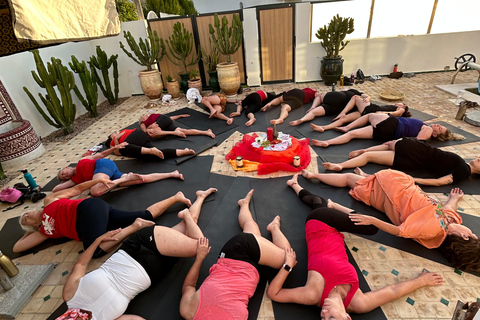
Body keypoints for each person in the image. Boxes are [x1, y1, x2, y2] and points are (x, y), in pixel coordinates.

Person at [265, 173, 445, 319]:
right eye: (332, 318)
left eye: (323, 319)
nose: (324, 313)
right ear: (347, 318)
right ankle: (297, 186)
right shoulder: (359, 303)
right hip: (334, 230)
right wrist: (422, 281)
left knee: (323, 209)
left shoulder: (312, 295)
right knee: (326, 206)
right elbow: (392, 291)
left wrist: (287, 266)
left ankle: (311, 209)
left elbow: (274, 294)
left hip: (319, 224)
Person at [60, 188, 217, 320]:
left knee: (199, 245)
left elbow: (80, 265)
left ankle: (186, 214)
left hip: (137, 248)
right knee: (190, 225)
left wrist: (97, 241)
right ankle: (199, 199)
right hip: (156, 269)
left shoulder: (70, 296)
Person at [300, 168, 480, 273]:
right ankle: (365, 175)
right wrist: (453, 199)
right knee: (361, 179)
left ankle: (313, 176)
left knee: (349, 179)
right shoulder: (447, 223)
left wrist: (373, 220)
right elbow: (449, 211)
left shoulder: (432, 229)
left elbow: (401, 230)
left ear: (464, 237)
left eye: (472, 234)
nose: (470, 230)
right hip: (400, 186)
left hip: (388, 193)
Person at [179, 189, 292, 320]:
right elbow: (188, 287)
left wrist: (199, 258)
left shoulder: (188, 311)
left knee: (289, 258)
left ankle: (274, 228)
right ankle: (244, 205)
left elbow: (189, 286)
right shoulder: (187, 311)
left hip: (242, 251)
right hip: (228, 256)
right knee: (251, 227)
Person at [14, 177, 194, 257]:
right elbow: (16, 248)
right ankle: (176, 197)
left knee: (94, 251)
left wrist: (97, 181)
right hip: (94, 220)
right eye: (25, 220)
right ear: (34, 227)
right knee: (145, 214)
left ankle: (134, 227)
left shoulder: (49, 200)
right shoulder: (44, 232)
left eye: (25, 214)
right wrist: (27, 231)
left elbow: (77, 190)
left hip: (87, 209)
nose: (26, 215)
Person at [322, 137, 480, 186]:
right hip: (415, 157)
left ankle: (345, 162)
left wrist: (412, 180)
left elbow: (440, 182)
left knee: (391, 145)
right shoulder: (463, 168)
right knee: (376, 153)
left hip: (417, 154)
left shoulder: (464, 171)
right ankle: (343, 164)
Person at [53, 144, 184, 196]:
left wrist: (116, 146)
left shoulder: (82, 161)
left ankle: (126, 178)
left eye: (63, 173)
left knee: (94, 191)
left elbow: (100, 155)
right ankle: (172, 174)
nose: (65, 176)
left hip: (102, 165)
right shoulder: (75, 180)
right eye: (64, 177)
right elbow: (55, 190)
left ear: (66, 168)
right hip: (107, 176)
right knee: (140, 179)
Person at [312, 113, 462, 148]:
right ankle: (327, 143)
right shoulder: (426, 127)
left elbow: (418, 142)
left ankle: (347, 126)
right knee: (352, 135)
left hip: (392, 125)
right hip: (386, 131)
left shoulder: (428, 130)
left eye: (440, 128)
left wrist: (395, 142)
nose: (437, 125)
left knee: (370, 115)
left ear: (435, 134)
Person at [309, 97, 411, 133]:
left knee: (355, 97)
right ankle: (324, 127)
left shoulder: (401, 109)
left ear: (404, 106)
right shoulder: (396, 107)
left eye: (401, 103)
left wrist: (381, 113)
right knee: (344, 119)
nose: (398, 104)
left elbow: (396, 113)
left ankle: (341, 113)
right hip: (368, 112)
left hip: (372, 109)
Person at [288, 88, 364, 126]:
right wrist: (367, 98)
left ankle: (304, 117)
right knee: (315, 111)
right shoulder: (358, 104)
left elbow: (365, 95)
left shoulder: (350, 92)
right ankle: (302, 119)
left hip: (340, 97)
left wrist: (313, 106)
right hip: (340, 108)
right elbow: (366, 96)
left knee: (319, 96)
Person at [105, 128, 195, 160]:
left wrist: (118, 139)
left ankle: (151, 150)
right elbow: (116, 153)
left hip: (137, 136)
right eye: (113, 134)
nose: (116, 133)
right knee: (159, 155)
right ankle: (183, 151)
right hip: (140, 141)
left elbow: (119, 152)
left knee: (124, 147)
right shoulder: (113, 142)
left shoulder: (123, 132)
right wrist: (115, 139)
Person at [139, 113, 215, 139]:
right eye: (144, 116)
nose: (146, 115)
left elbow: (168, 118)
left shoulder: (153, 118)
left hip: (162, 120)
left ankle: (174, 133)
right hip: (165, 124)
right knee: (184, 131)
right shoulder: (143, 123)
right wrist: (148, 129)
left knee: (154, 132)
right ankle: (206, 132)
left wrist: (180, 115)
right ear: (142, 120)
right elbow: (144, 130)